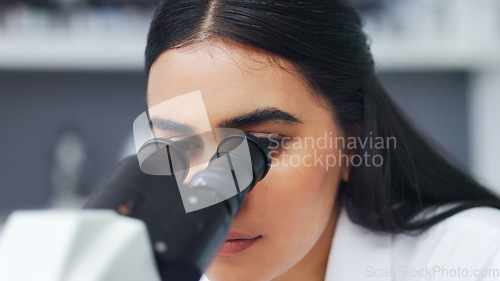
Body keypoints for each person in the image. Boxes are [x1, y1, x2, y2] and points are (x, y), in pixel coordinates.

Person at [143, 1, 500, 280]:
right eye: (176, 145)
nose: (206, 193)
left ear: (351, 144)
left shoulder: (478, 260)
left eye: (262, 144)